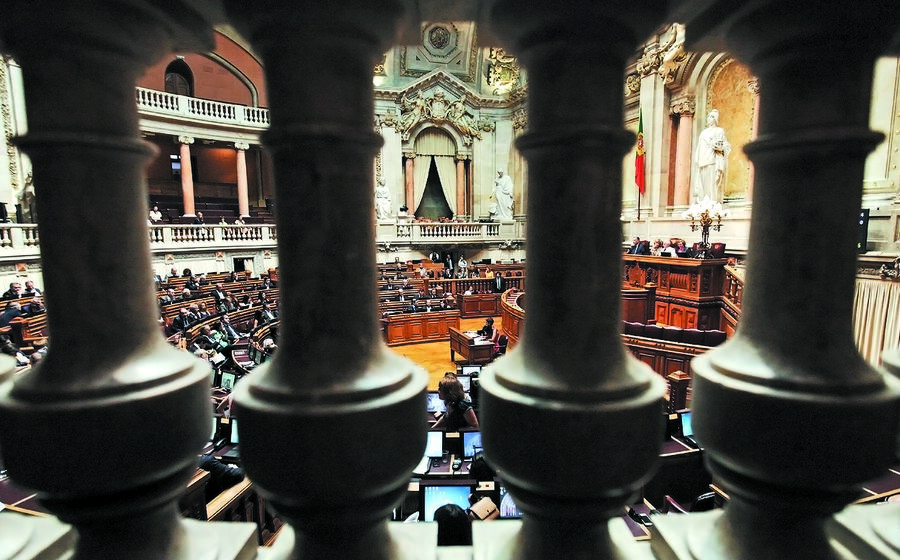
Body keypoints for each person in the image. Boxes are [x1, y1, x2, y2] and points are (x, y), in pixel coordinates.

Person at [694, 109, 731, 202]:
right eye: (708, 116)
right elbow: (699, 147)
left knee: (713, 184)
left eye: (711, 116)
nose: (709, 118)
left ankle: (713, 203)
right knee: (703, 185)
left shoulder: (719, 131)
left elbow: (725, 144)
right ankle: (704, 203)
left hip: (713, 160)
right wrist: (697, 160)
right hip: (703, 160)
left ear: (715, 119)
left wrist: (719, 146)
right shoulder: (703, 132)